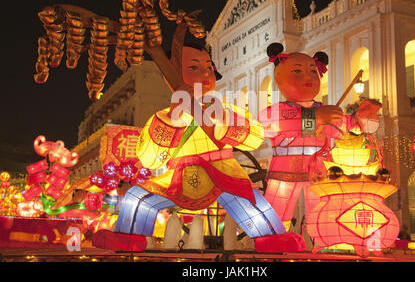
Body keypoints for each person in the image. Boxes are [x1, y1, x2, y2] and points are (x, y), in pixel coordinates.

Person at [93, 44, 305, 252]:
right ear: (170, 76)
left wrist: (222, 121)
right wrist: (172, 120)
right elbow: (150, 159)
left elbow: (255, 137)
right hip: (179, 176)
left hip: (223, 170)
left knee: (251, 201)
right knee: (137, 197)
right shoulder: (165, 115)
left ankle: (271, 237)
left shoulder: (225, 108)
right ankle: (127, 237)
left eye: (208, 67)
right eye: (194, 67)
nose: (204, 73)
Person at [258, 42, 382, 233]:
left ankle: (323, 240)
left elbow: (347, 126)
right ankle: (272, 240)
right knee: (276, 213)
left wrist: (363, 118)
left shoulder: (326, 110)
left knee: (323, 214)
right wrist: (316, 118)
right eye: (297, 71)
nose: (307, 76)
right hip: (284, 169)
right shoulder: (278, 110)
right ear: (280, 80)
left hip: (318, 170)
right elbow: (270, 124)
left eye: (312, 72)